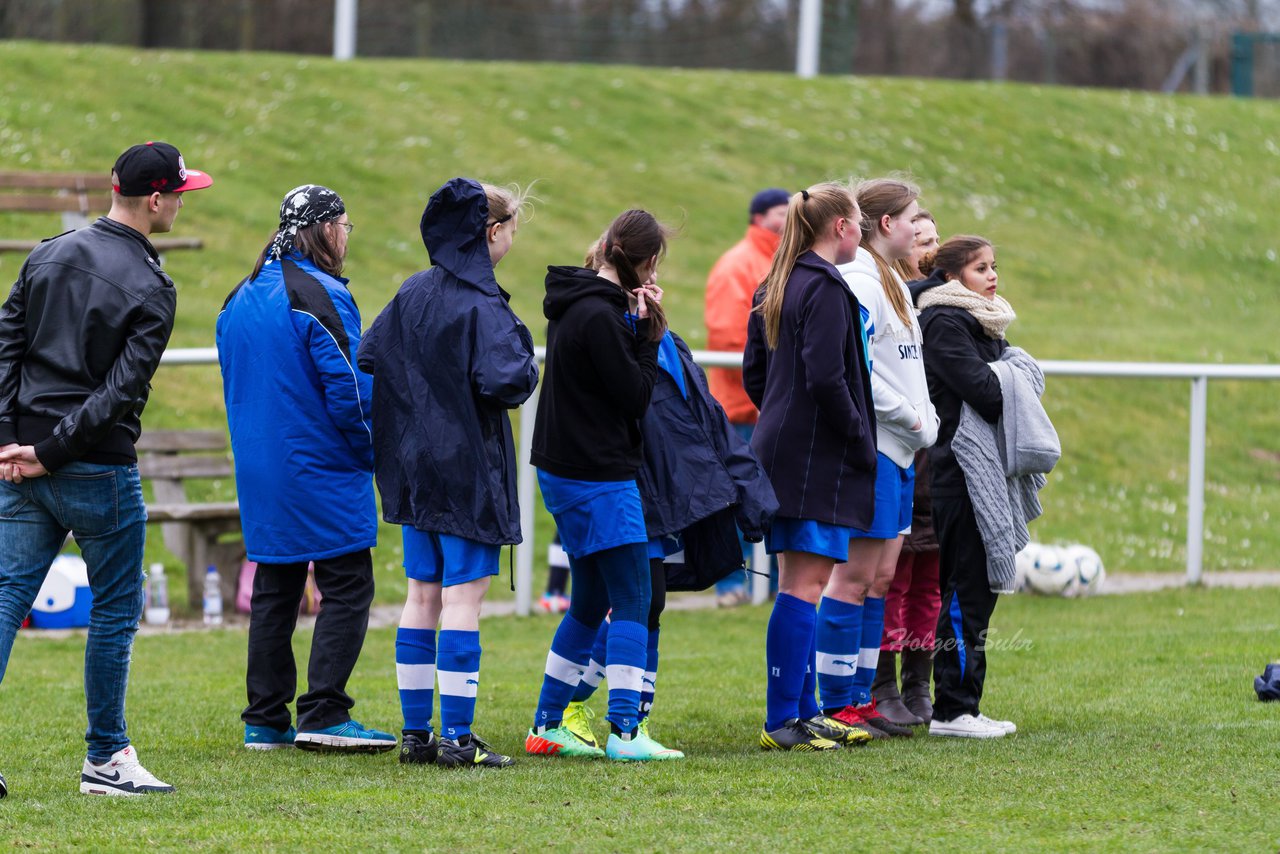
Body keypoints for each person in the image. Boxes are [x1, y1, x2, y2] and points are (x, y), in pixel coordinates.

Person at [0, 141, 211, 796]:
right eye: (178, 192)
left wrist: (12, 441)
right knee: (117, 611)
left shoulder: (45, 253)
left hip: (23, 461)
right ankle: (105, 759)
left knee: (6, 597)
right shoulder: (153, 285)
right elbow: (119, 392)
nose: (181, 201)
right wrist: (51, 452)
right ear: (154, 199)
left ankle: (106, 757)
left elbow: (5, 346)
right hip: (93, 466)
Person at [555, 237, 778, 758]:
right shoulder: (611, 332)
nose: (652, 284)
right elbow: (632, 410)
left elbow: (704, 421)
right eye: (647, 273)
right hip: (623, 487)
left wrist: (747, 487)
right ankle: (588, 714)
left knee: (642, 603)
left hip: (659, 493)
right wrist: (642, 334)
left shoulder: (663, 340)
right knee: (632, 600)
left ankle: (608, 716)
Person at [357, 178, 538, 770]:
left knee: (420, 596)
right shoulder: (484, 304)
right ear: (492, 233)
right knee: (463, 601)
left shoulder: (413, 290)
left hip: (412, 468)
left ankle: (416, 735)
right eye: (511, 227)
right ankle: (458, 739)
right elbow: (507, 381)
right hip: (464, 470)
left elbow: (370, 351)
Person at [218, 184, 394, 754]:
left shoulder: (238, 297)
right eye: (343, 225)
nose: (346, 236)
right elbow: (349, 388)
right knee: (347, 584)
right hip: (318, 465)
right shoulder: (319, 294)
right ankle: (324, 711)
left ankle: (265, 719)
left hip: (261, 466)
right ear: (321, 229)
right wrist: (375, 453)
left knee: (277, 586)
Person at [525, 210, 673, 762]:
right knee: (633, 596)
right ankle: (626, 733)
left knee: (587, 598)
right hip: (598, 475)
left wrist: (633, 325)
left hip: (566, 471)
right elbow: (634, 396)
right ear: (645, 261)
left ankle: (547, 725)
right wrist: (651, 333)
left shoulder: (576, 301)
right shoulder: (600, 314)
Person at [742, 183, 877, 752]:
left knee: (804, 582)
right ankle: (783, 722)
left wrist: (781, 412)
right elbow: (827, 378)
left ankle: (804, 711)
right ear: (840, 227)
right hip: (813, 453)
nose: (862, 233)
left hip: (786, 446)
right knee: (806, 583)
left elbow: (755, 374)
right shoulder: (822, 287)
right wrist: (858, 435)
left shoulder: (779, 279)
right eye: (859, 223)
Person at [817, 178, 938, 738]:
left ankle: (863, 698)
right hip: (879, 448)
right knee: (853, 579)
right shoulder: (860, 282)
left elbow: (904, 365)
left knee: (882, 577)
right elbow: (858, 370)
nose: (919, 227)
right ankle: (838, 702)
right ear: (886, 223)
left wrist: (924, 417)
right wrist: (910, 418)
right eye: (913, 217)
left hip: (903, 452)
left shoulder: (892, 280)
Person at [917, 235, 1024, 738]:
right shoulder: (943, 321)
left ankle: (965, 704)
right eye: (982, 268)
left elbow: (1005, 379)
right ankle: (952, 711)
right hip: (959, 473)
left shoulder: (982, 320)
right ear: (952, 277)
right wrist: (1014, 373)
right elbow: (987, 392)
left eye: (994, 266)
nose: (993, 276)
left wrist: (1009, 373)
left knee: (974, 592)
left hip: (982, 474)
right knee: (963, 591)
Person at [705, 188, 789, 606]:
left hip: (771, 406)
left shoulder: (782, 260)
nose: (788, 217)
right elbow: (725, 335)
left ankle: (777, 585)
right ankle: (731, 586)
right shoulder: (737, 264)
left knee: (778, 497)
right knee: (737, 494)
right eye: (780, 211)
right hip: (742, 405)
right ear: (759, 217)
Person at [877, 207, 944, 725]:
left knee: (929, 583)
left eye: (936, 238)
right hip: (903, 452)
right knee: (892, 579)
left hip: (938, 460)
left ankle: (919, 684)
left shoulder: (943, 308)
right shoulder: (896, 301)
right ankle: (883, 684)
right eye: (920, 238)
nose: (930, 248)